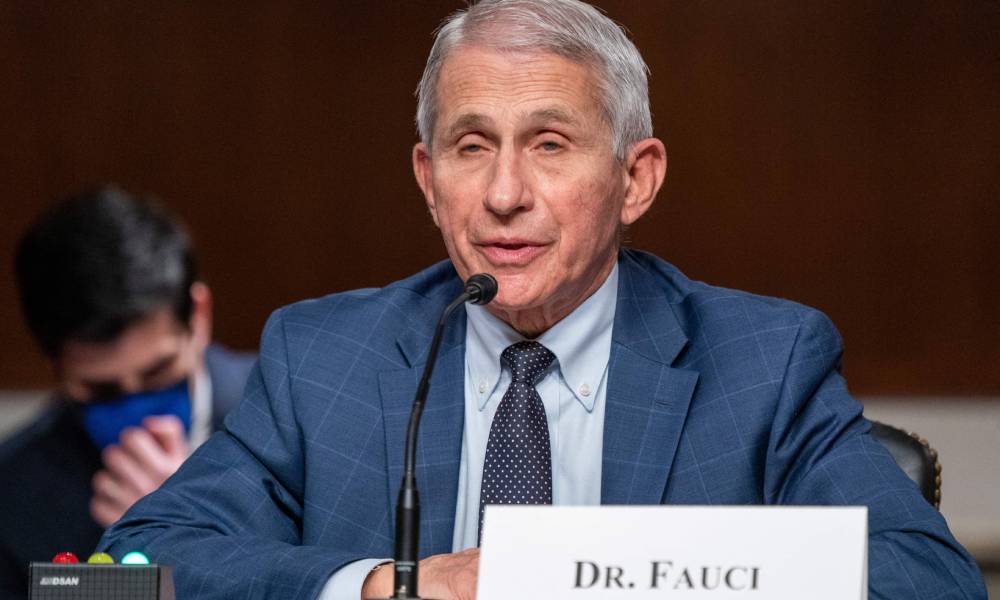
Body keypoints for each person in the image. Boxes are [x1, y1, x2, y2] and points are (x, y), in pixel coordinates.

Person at [100, 1, 986, 598]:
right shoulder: (325, 355)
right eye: (471, 146)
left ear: (635, 179)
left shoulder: (763, 361)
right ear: (428, 178)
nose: (504, 194)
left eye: (551, 144)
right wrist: (389, 585)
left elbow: (926, 577)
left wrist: (610, 577)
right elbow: (134, 563)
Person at [0, 186, 256, 598]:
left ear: (200, 318)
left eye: (158, 373)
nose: (137, 407)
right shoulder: (14, 498)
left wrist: (196, 532)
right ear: (56, 366)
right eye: (101, 389)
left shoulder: (307, 413)